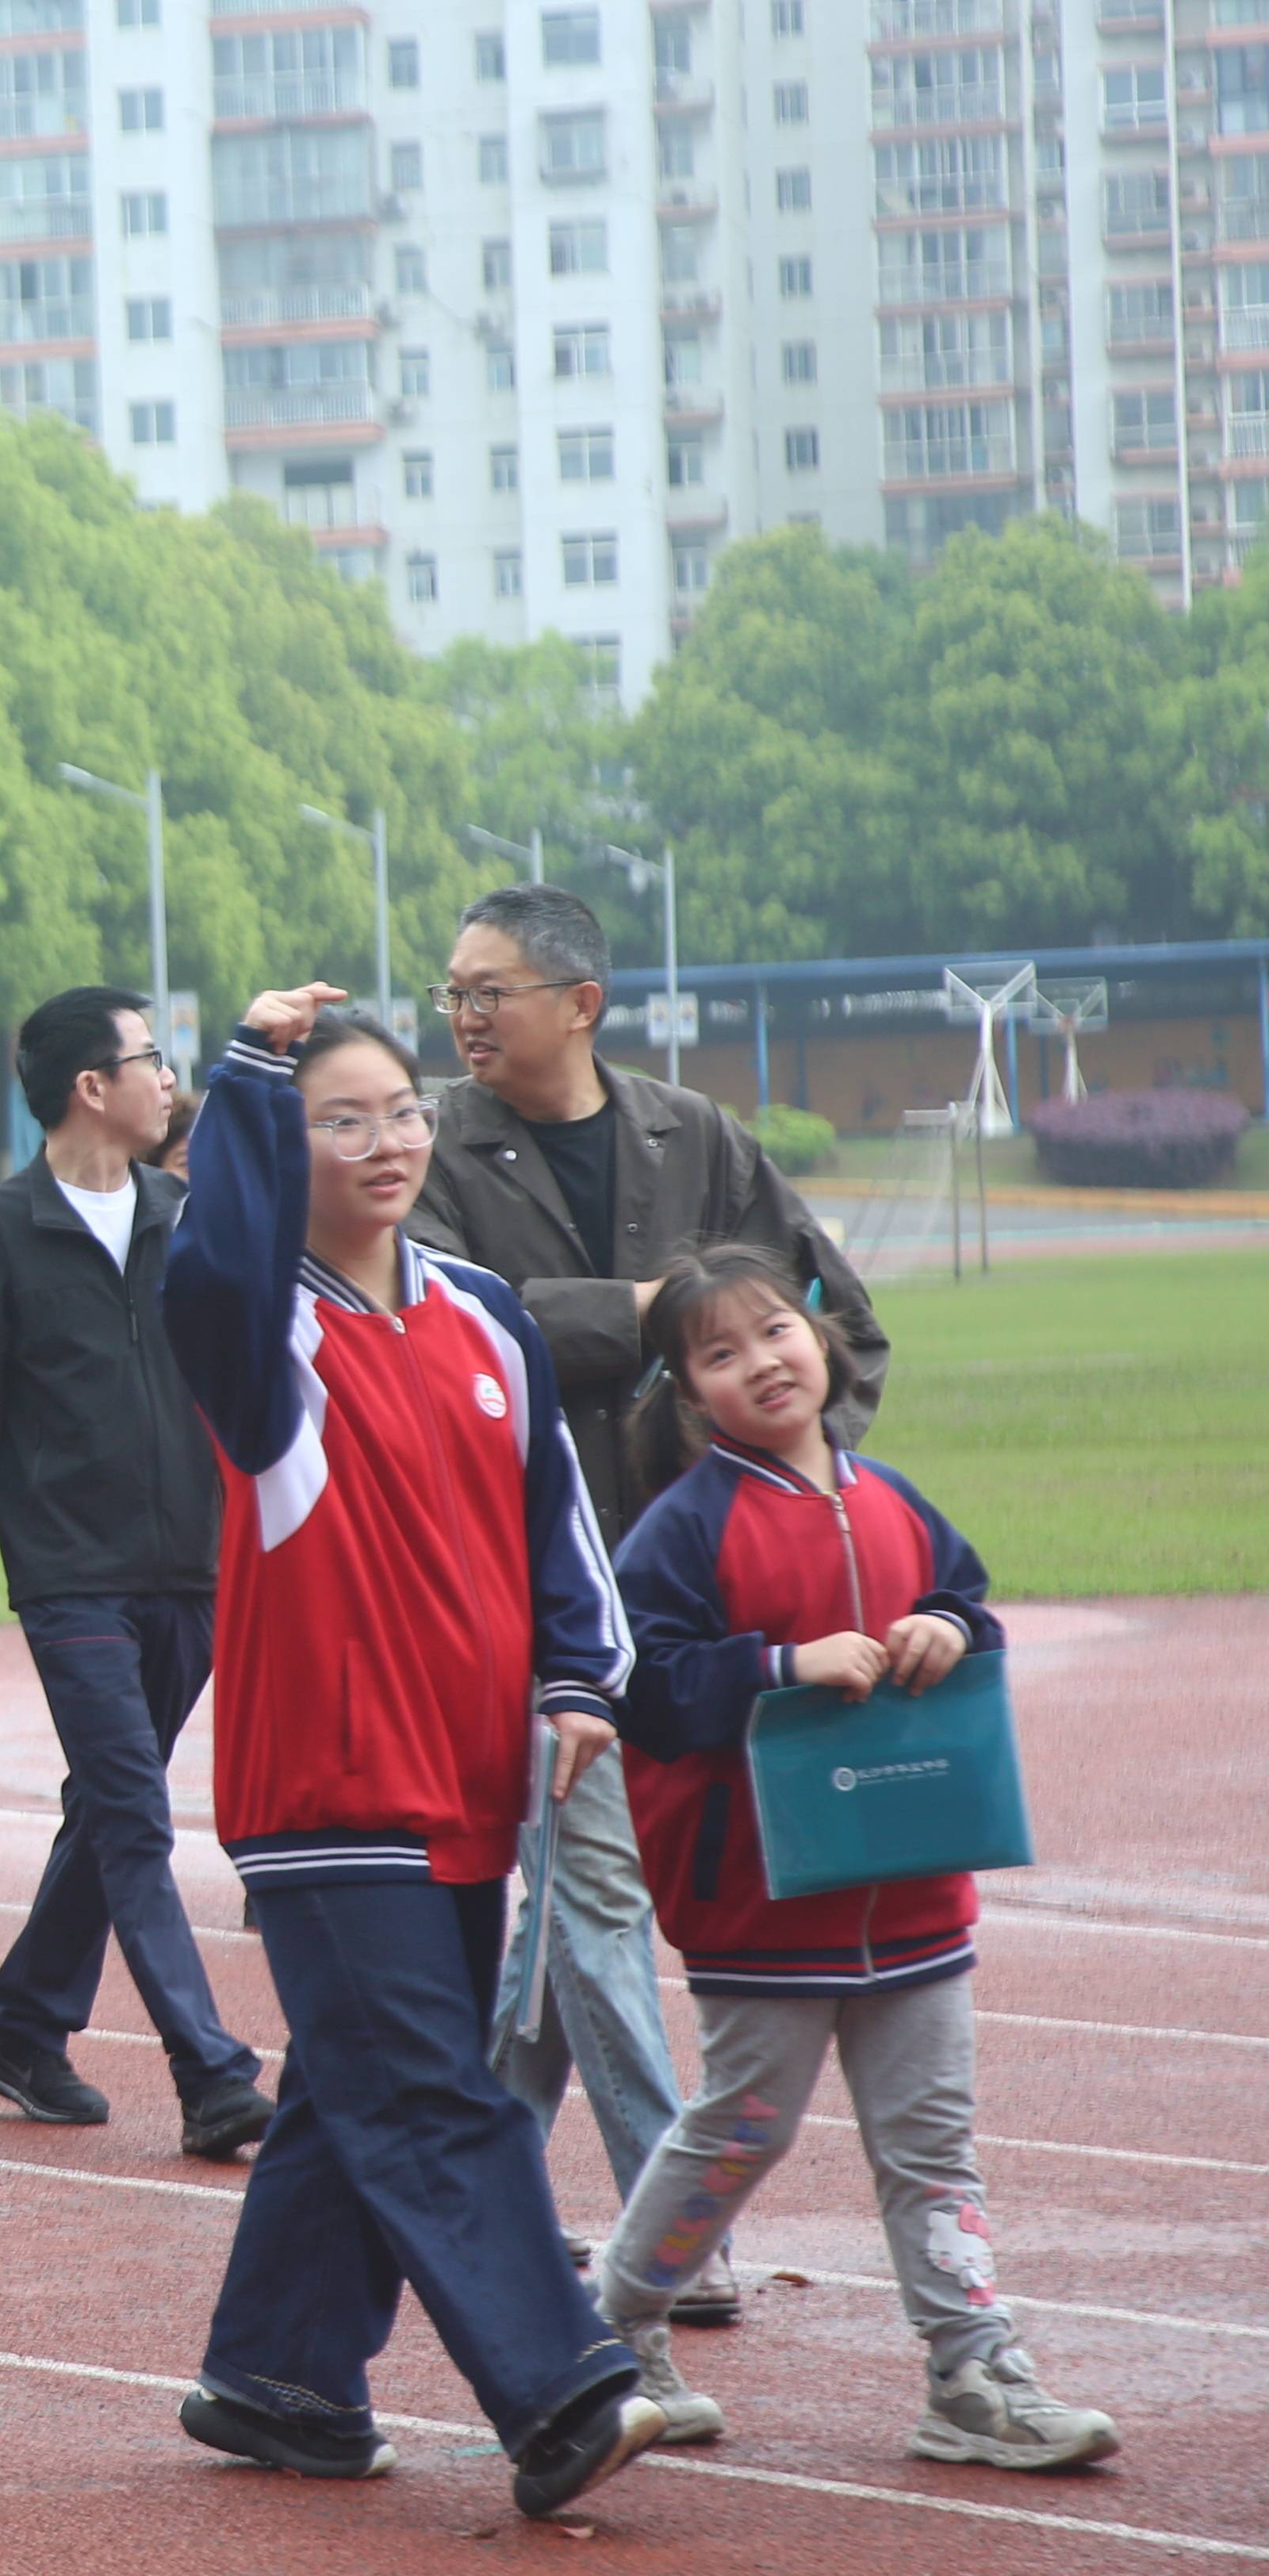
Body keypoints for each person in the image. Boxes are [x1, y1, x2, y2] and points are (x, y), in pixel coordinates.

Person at [158, 985, 661, 2518]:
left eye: (399, 1111)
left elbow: (553, 1530)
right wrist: (245, 1071)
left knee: (357, 2085)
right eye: (340, 1118)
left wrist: (581, 1679)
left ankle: (280, 2377)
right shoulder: (258, 1338)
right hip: (324, 1786)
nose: (385, 1142)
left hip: (466, 1787)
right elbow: (214, 1256)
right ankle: (560, 2385)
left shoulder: (481, 1311)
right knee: (439, 2088)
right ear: (276, 1144)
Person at [419, 882, 886, 2321]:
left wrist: (801, 1477)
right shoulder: (428, 1150)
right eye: (450, 994)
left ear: (580, 1001)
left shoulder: (698, 1138)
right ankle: (666, 2236)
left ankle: (459, 2171)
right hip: (524, 1592)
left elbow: (831, 1320)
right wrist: (623, 1312)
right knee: (602, 1890)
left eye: (486, 990)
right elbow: (435, 1326)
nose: (462, 1017)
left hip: (692, 1594)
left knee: (572, 1916)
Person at [588, 1246, 1116, 2470]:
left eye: (774, 1331)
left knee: (931, 2141)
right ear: (686, 1390)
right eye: (718, 1353)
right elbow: (644, 1687)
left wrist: (947, 1623)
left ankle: (973, 2372)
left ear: (819, 1338)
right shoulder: (683, 1529)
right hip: (762, 1901)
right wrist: (781, 1665)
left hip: (919, 1880)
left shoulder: (892, 1496)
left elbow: (967, 1599)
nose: (760, 1363)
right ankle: (616, 2332)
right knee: (741, 2128)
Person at [0, 990, 268, 2161]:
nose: (166, 1080)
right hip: (70, 1573)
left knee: (104, 1803)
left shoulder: (183, 1213)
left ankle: (24, 2026)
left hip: (193, 1565)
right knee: (133, 1809)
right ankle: (210, 2069)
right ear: (91, 1086)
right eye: (150, 1059)